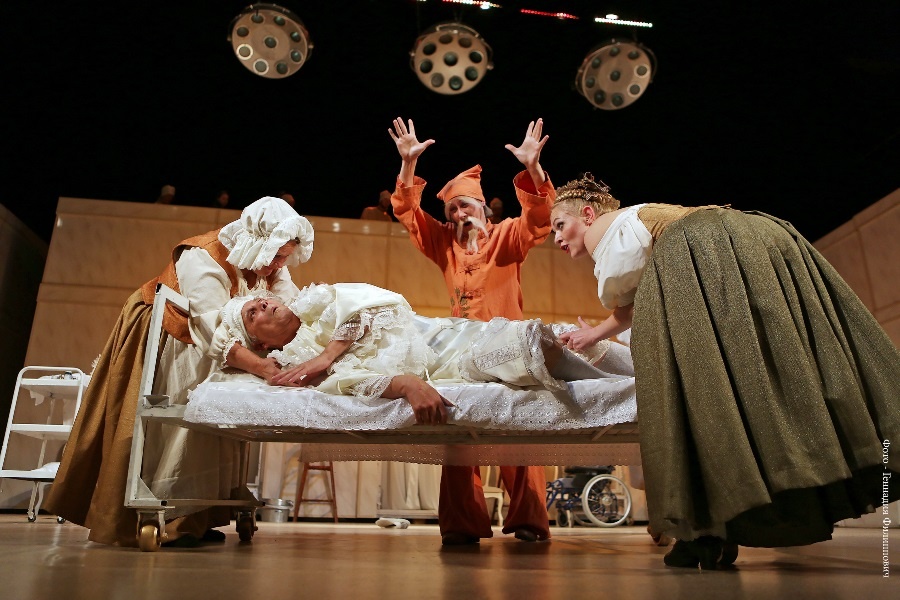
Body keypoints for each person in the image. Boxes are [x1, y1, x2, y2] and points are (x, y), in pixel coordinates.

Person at [550, 173, 900, 569]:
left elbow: (630, 293)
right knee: (761, 385)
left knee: (696, 391)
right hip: (756, 241)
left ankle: (707, 529)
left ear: (588, 214)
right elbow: (640, 297)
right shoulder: (645, 228)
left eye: (560, 225)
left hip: (708, 249)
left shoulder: (603, 230)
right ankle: (731, 523)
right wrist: (595, 333)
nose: (558, 238)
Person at [44, 197, 315, 548]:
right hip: (175, 337)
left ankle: (196, 519)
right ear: (256, 242)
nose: (279, 264)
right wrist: (261, 366)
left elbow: (291, 306)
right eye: (277, 256)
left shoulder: (270, 261)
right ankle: (168, 517)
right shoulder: (203, 256)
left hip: (218, 350)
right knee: (177, 423)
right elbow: (210, 327)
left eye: (284, 257)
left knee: (216, 429)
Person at [387, 116, 554, 545]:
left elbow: (539, 217)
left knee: (518, 434)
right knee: (460, 437)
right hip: (460, 354)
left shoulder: (507, 237)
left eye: (466, 206)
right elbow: (407, 213)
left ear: (484, 208)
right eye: (452, 210)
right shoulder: (444, 242)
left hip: (509, 349)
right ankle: (463, 525)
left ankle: (529, 520)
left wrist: (533, 168)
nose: (460, 215)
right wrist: (408, 164)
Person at [215, 284, 629, 422]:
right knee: (533, 345)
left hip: (457, 332)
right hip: (457, 364)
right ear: (261, 343)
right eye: (253, 313)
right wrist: (406, 384)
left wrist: (328, 353)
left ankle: (648, 370)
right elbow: (346, 383)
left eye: (263, 300)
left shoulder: (320, 299)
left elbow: (381, 300)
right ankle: (638, 388)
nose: (265, 303)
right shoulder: (295, 362)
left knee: (571, 337)